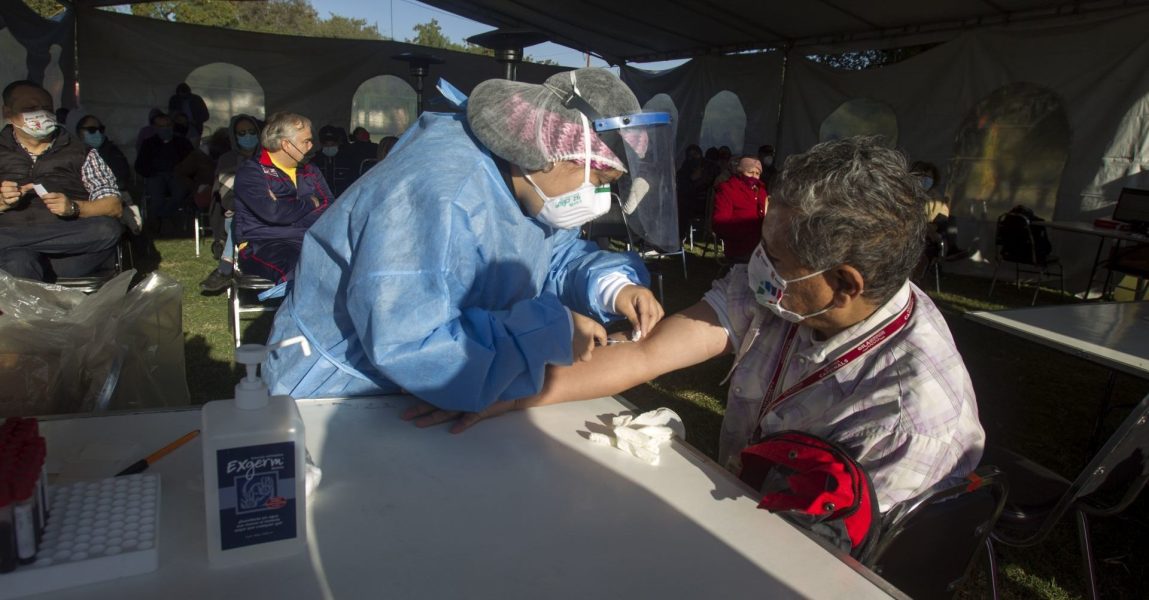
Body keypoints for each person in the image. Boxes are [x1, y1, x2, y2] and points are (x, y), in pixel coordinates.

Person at [406, 137, 986, 513]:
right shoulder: (789, 295)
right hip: (751, 508)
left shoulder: (909, 420)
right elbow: (645, 355)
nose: (757, 268)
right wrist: (504, 388)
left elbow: (839, 565)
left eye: (777, 258)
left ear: (845, 284)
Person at [263, 68, 670, 414]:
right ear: (556, 151)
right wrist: (551, 331)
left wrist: (611, 285)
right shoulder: (440, 190)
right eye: (598, 179)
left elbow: (551, 251)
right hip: (339, 390)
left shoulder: (525, 183)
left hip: (424, 388)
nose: (598, 198)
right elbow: (413, 342)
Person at [0, 80, 123, 282]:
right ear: (8, 112)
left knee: (107, 229)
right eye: (30, 109)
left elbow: (113, 206)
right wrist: (3, 202)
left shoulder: (82, 152)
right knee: (19, 261)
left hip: (69, 253)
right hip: (15, 255)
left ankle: (11, 244)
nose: (41, 114)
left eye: (46, 108)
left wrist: (73, 208)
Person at [231, 111, 334, 283]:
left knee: (342, 265)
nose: (311, 146)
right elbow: (273, 213)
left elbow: (330, 208)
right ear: (286, 144)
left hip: (309, 239)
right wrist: (311, 203)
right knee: (300, 270)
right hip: (264, 244)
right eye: (306, 141)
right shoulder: (252, 172)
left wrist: (286, 212)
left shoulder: (310, 170)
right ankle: (293, 301)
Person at [199, 114, 261, 293]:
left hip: (268, 213)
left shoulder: (269, 157)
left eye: (251, 132)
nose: (248, 136)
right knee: (239, 217)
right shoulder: (228, 161)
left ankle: (225, 269)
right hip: (239, 214)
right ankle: (226, 267)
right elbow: (228, 199)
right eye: (242, 133)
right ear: (234, 136)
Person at [134, 111, 194, 224]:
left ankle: (162, 215)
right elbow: (140, 165)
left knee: (180, 193)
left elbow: (192, 162)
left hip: (177, 174)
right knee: (156, 196)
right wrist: (151, 173)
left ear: (172, 126)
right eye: (161, 126)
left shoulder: (183, 143)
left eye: (168, 125)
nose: (165, 129)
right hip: (155, 175)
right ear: (155, 128)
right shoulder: (148, 144)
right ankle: (159, 221)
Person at [712, 156, 768, 261]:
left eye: (757, 173)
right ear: (740, 172)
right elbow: (719, 223)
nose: (754, 177)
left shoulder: (761, 191)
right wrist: (745, 232)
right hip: (740, 246)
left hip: (761, 246)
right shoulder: (728, 189)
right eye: (750, 172)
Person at [910, 160, 968, 260]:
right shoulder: (909, 194)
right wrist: (929, 230)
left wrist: (935, 225)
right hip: (915, 229)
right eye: (923, 176)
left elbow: (943, 213)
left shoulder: (934, 195)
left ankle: (951, 249)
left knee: (950, 220)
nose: (926, 180)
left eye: (929, 178)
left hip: (930, 226)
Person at [315, 124, 355, 197]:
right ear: (321, 144)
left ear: (338, 143)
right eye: (326, 145)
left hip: (342, 199)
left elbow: (353, 182)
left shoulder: (347, 160)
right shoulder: (315, 160)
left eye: (332, 144)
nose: (329, 147)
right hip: (321, 200)